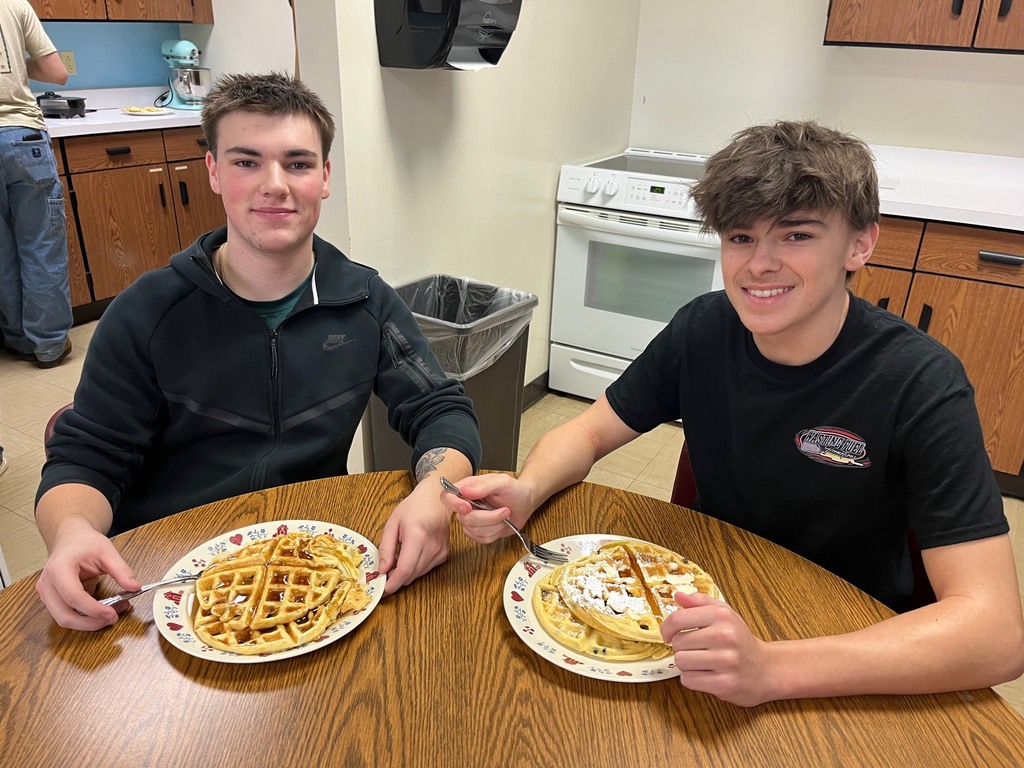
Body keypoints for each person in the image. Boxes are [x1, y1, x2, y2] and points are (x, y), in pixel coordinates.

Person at [443, 120, 1024, 706]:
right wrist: (529, 486)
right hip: (706, 606)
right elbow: (590, 430)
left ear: (860, 244)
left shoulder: (921, 381)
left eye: (796, 236)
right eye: (740, 237)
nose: (759, 265)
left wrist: (772, 669)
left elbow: (996, 633)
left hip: (849, 642)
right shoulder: (703, 328)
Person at [35, 72, 482, 630]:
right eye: (247, 162)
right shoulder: (146, 312)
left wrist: (436, 492)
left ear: (324, 177)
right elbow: (86, 458)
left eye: (297, 163)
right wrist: (72, 532)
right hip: (166, 578)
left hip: (312, 563)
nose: (275, 185)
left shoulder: (366, 301)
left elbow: (440, 409)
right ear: (214, 172)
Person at [0, 0, 72, 367]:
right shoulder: (13, 4)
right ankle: (49, 343)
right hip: (20, 134)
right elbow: (57, 72)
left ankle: (16, 339)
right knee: (41, 243)